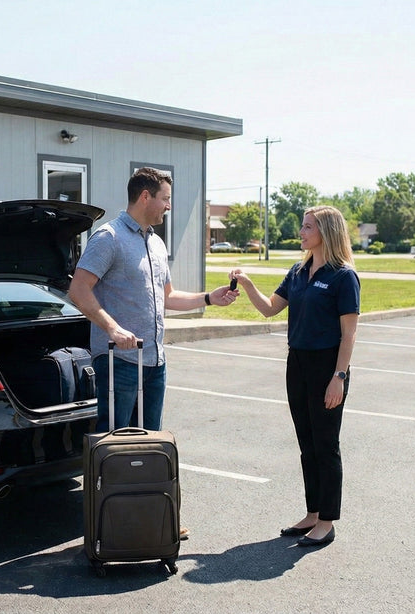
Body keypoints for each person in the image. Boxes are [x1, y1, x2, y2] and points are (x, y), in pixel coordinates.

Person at [69, 167, 239, 435]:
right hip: (119, 361)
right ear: (146, 197)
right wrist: (113, 328)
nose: (169, 206)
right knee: (115, 443)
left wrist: (208, 298)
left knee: (149, 444)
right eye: (166, 198)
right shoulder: (108, 238)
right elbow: (78, 290)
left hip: (155, 363)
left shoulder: (156, 243)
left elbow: (167, 296)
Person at [230, 205, 360, 548]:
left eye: (307, 227)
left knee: (326, 445)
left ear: (326, 232)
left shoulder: (343, 276)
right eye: (302, 227)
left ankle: (327, 521)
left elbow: (349, 335)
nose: (301, 232)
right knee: (307, 444)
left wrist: (339, 376)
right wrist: (246, 283)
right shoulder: (298, 272)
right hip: (297, 363)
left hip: (328, 367)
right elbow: (270, 308)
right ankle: (313, 512)